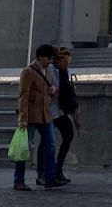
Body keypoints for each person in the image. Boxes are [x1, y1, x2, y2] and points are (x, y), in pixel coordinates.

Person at [13, 44, 57, 191]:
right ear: (39, 57)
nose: (50, 61)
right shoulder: (28, 72)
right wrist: (23, 118)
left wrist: (53, 90)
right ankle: (19, 180)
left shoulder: (49, 71)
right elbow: (23, 96)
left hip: (45, 115)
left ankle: (48, 177)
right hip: (31, 115)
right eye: (48, 58)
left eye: (51, 58)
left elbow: (50, 90)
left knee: (50, 145)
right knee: (25, 148)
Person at [50, 48, 79, 187]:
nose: (66, 64)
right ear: (57, 59)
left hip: (61, 111)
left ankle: (58, 169)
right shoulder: (50, 70)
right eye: (64, 61)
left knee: (68, 135)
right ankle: (45, 172)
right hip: (50, 111)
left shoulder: (63, 71)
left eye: (68, 62)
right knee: (47, 142)